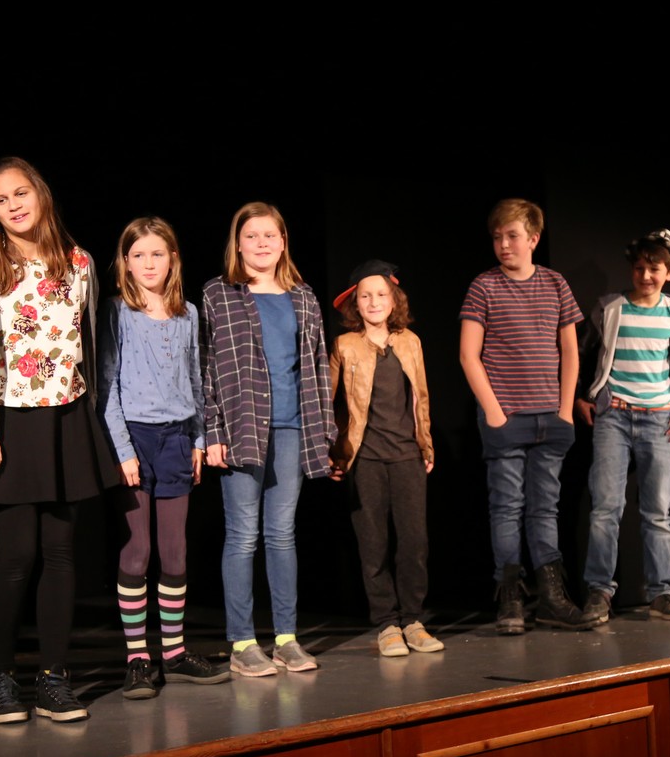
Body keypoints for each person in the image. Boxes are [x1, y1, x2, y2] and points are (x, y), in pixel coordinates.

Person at [0, 157, 119, 722]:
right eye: (0, 199)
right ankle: (1, 678)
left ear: (40, 193)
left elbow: (89, 344)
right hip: (9, 419)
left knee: (60, 553)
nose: (13, 205)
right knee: (16, 554)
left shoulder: (77, 260)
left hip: (66, 416)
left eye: (21, 193)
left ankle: (54, 678)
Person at [97, 217, 230, 698]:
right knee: (138, 551)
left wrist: (198, 438)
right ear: (125, 262)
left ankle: (173, 653)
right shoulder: (116, 312)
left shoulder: (187, 313)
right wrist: (122, 450)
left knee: (175, 552)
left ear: (172, 259)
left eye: (157, 254)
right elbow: (107, 386)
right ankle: (138, 659)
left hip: (177, 439)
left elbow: (195, 378)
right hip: (134, 438)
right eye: (139, 255)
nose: (148, 263)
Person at [200, 202, 334, 677]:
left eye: (269, 235)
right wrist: (212, 431)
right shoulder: (219, 293)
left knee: (282, 534)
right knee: (242, 536)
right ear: (238, 244)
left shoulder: (303, 296)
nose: (261, 243)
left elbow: (317, 367)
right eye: (251, 236)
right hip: (241, 427)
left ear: (283, 242)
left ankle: (286, 639)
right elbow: (206, 368)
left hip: (292, 427)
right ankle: (242, 643)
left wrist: (325, 431)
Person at [458, 198, 592, 635]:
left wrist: (565, 409)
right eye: (497, 237)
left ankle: (551, 597)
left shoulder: (555, 283)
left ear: (533, 239)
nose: (503, 244)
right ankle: (511, 598)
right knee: (506, 508)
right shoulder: (484, 286)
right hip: (507, 419)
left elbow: (569, 351)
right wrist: (495, 413)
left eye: (512, 236)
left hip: (550, 417)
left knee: (545, 509)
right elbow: (468, 355)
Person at [575, 229, 670, 624]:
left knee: (657, 512)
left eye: (654, 269)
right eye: (639, 268)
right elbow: (580, 354)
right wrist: (581, 396)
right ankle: (600, 591)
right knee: (605, 509)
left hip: (659, 421)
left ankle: (661, 592)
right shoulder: (610, 308)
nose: (646, 276)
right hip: (613, 417)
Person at [329, 260, 443, 657]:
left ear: (394, 300)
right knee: (373, 543)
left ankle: (412, 619)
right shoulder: (345, 345)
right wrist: (333, 453)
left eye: (381, 294)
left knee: (413, 543)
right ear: (355, 303)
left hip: (407, 455)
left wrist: (426, 445)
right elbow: (330, 402)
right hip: (366, 459)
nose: (374, 302)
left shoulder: (410, 342)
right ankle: (387, 624)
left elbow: (422, 398)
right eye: (366, 296)